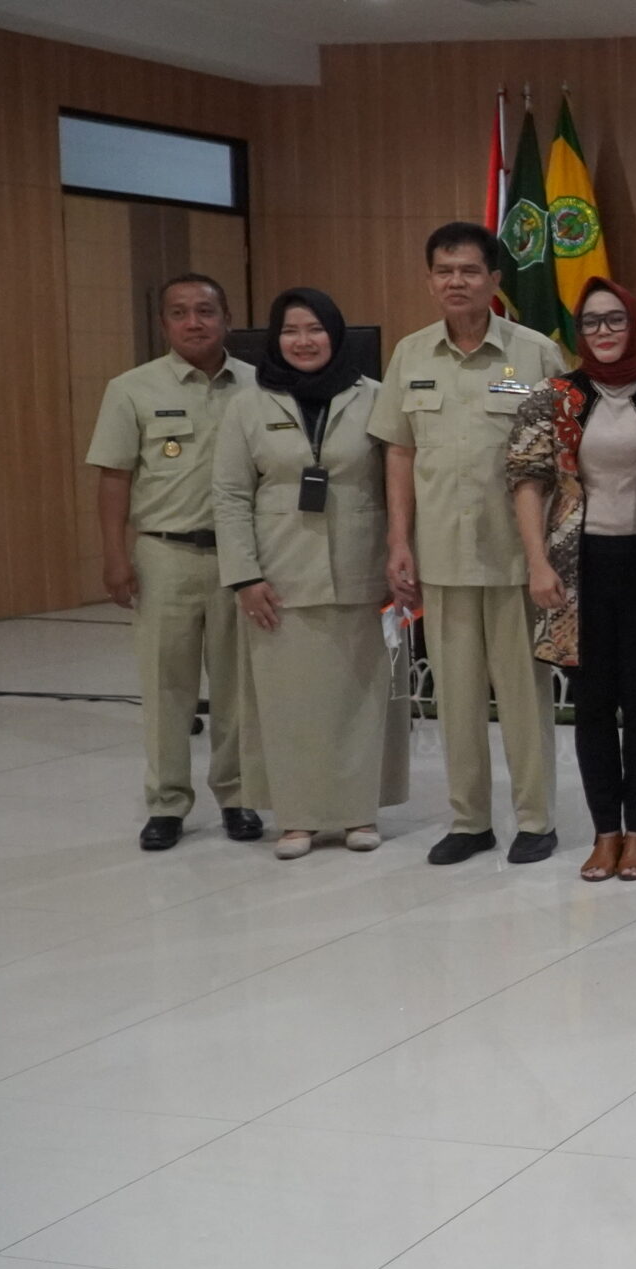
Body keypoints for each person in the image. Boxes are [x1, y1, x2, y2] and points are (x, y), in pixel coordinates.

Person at [368, 223, 567, 866]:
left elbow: (563, 460)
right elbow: (399, 453)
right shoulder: (410, 355)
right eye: (444, 271)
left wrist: (552, 556)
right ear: (429, 280)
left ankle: (535, 819)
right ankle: (469, 820)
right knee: (453, 700)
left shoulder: (535, 354)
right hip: (443, 557)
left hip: (516, 558)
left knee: (524, 696)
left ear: (495, 281)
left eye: (470, 271)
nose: (457, 281)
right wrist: (399, 541)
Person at [508, 276, 636, 883]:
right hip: (577, 568)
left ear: (633, 324)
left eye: (614, 320)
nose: (603, 332)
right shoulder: (552, 395)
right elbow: (526, 481)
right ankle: (604, 833)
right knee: (590, 706)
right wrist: (537, 563)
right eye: (591, 322)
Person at [214, 288, 401, 856]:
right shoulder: (248, 403)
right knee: (287, 703)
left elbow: (398, 484)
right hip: (280, 573)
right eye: (291, 330)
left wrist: (400, 556)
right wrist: (244, 576)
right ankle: (296, 817)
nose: (303, 341)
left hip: (360, 568)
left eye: (315, 329)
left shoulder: (374, 398)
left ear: (337, 335)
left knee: (358, 700)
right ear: (276, 338)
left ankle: (356, 815)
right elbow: (227, 494)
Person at [84, 274, 264, 851]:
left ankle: (237, 798)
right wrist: (116, 557)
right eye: (180, 313)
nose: (194, 322)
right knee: (167, 687)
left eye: (206, 311)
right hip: (164, 554)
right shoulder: (131, 388)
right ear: (163, 324)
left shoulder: (260, 387)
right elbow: (114, 480)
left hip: (240, 558)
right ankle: (166, 803)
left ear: (227, 318)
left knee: (238, 686)